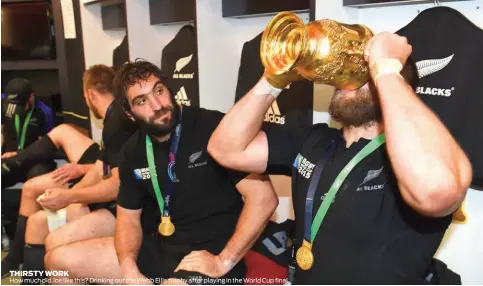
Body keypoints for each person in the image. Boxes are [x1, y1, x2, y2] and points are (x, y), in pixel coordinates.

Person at [207, 32, 472, 284]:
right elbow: (225, 150)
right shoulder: (313, 139)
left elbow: (437, 191)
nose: (351, 77)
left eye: (366, 71)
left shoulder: (414, 156)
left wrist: (387, 69)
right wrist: (275, 77)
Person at [43, 60, 278, 285]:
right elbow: (128, 218)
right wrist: (128, 268)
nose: (157, 106)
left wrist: (223, 260)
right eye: (142, 101)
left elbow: (264, 199)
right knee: (58, 261)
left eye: (159, 91)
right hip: (164, 249)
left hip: (211, 255)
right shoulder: (133, 150)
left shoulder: (213, 126)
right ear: (129, 113)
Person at [3, 64, 138, 283]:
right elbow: (100, 169)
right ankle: (28, 278)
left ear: (89, 95)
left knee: (54, 244)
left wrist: (69, 197)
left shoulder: (118, 122)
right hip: (111, 203)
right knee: (37, 223)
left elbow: (115, 186)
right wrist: (74, 194)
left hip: (125, 210)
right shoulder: (112, 121)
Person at [1, 78, 56, 187]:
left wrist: (19, 155)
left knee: (38, 177)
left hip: (34, 159)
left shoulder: (44, 112)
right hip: (8, 157)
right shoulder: (2, 102)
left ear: (31, 97)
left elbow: (45, 148)